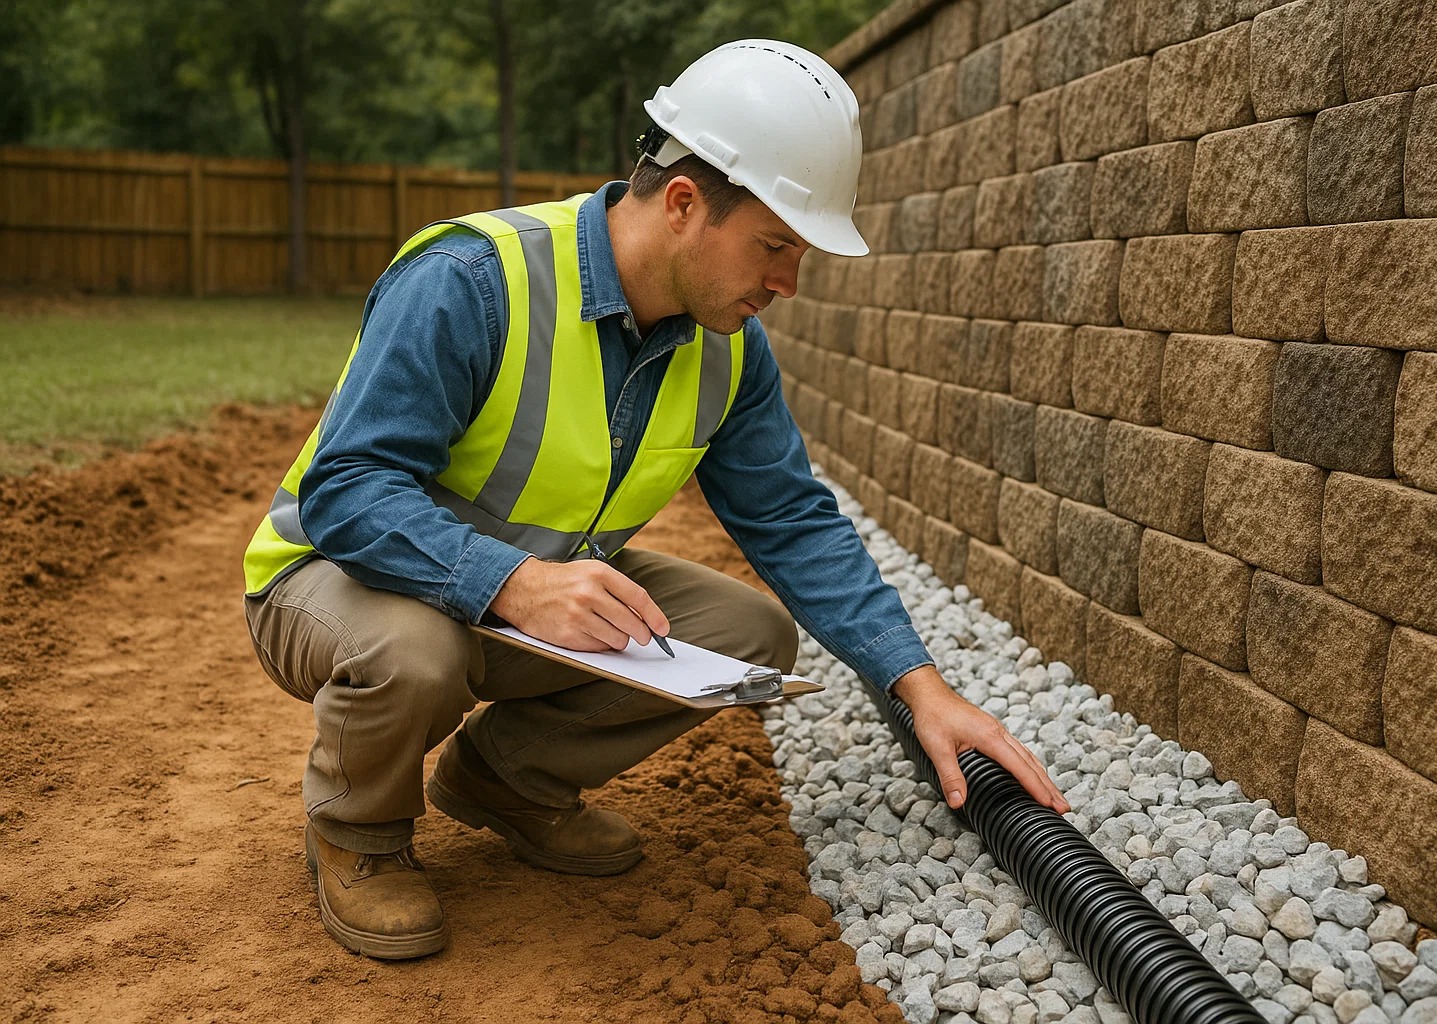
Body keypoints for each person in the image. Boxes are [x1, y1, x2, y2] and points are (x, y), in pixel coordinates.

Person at [242, 38, 1068, 961]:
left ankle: (504, 782)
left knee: (749, 638)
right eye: (775, 245)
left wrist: (921, 690)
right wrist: (515, 582)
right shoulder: (475, 281)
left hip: (525, 594)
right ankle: (359, 834)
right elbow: (346, 490)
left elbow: (792, 521)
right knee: (416, 650)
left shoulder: (729, 348)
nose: (788, 284)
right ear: (683, 204)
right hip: (336, 578)